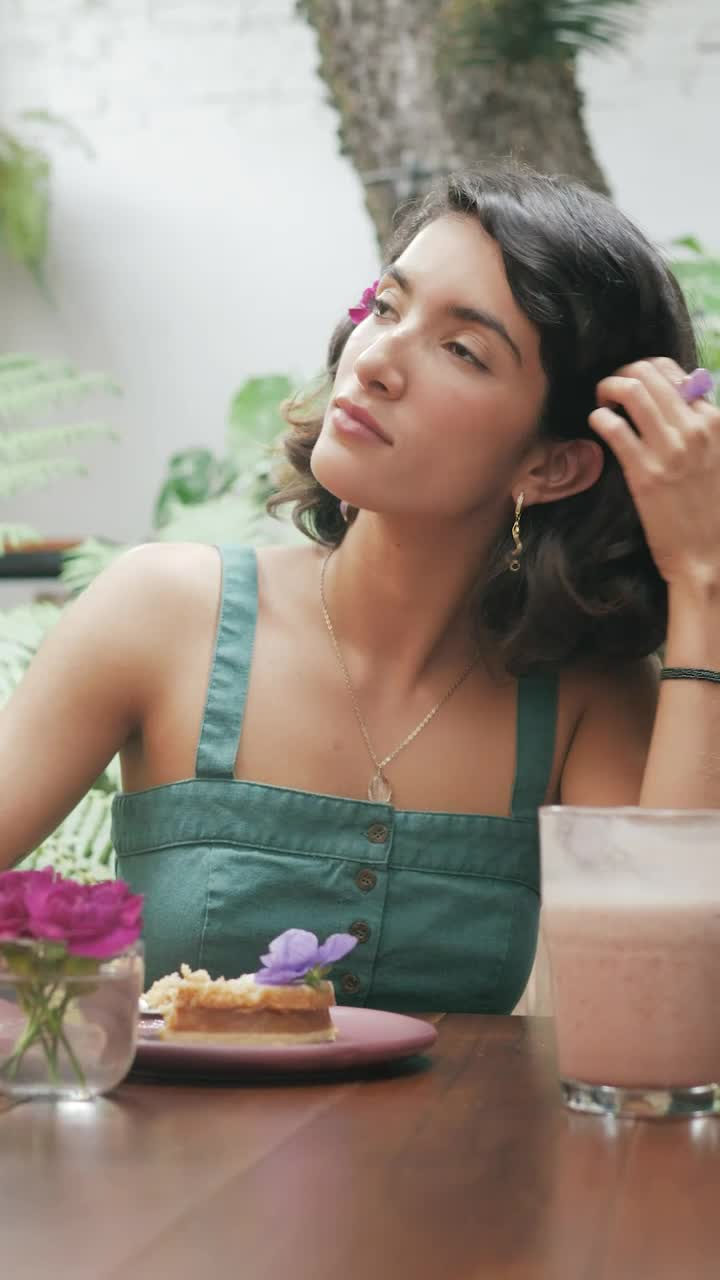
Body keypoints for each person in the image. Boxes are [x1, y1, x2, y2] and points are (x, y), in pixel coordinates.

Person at [2, 163, 718, 1010]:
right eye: (387, 307)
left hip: (467, 1151)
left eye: (461, 348)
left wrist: (701, 578)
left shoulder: (585, 699)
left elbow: (658, 1005)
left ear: (552, 464)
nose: (375, 360)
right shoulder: (161, 613)